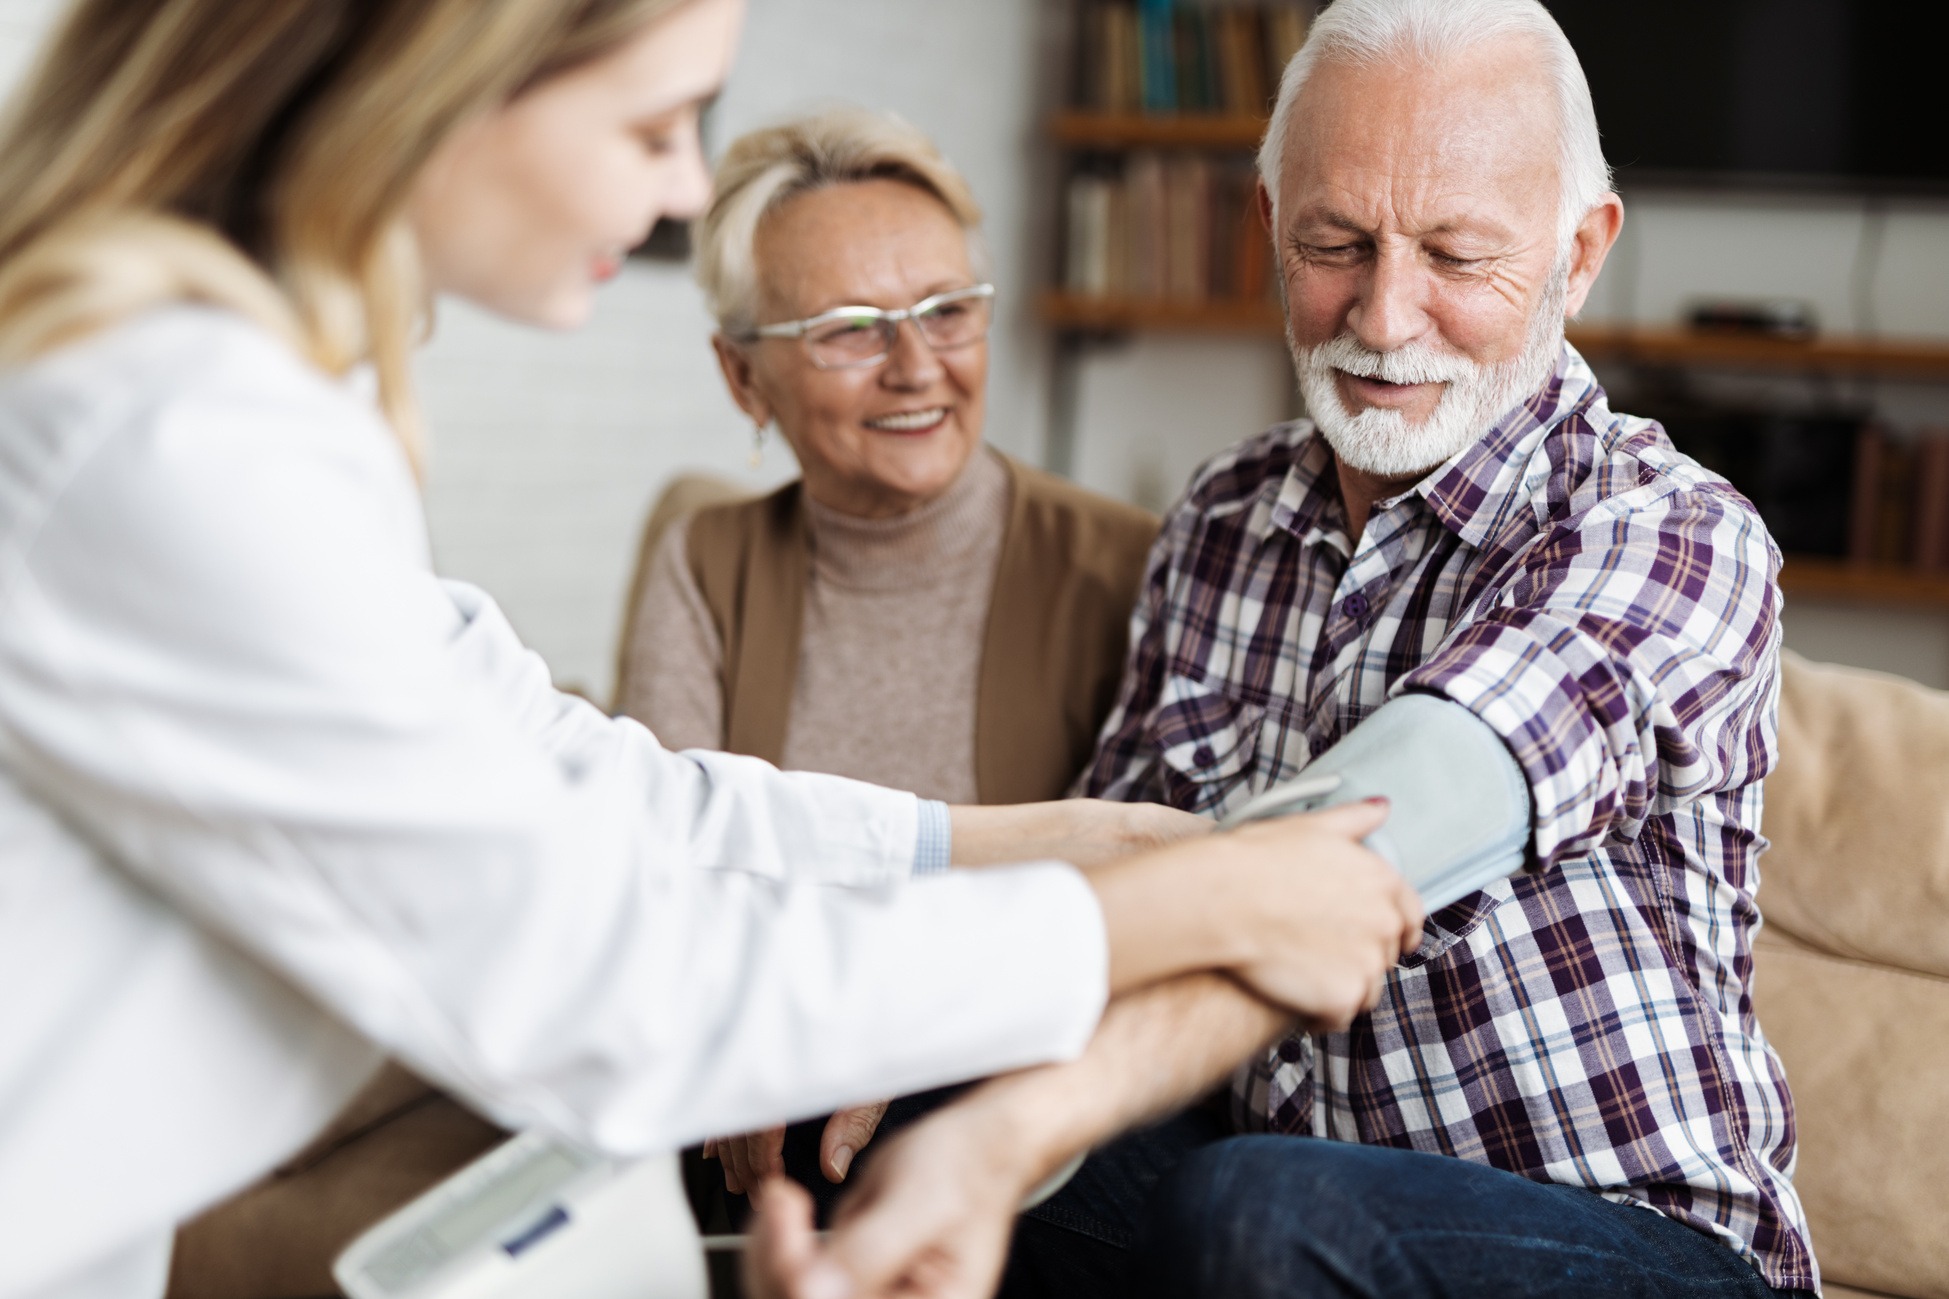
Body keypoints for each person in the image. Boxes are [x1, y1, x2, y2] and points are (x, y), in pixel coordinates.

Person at [0, 1, 1428, 1296]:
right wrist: (1200, 906)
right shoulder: (168, 436)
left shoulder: (229, 397)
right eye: (650, 122)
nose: (688, 181)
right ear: (444, 85)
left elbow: (596, 783)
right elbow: (602, 985)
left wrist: (1028, 839)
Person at [752, 1, 1816, 1297]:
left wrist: (1021, 1118)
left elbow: (1386, 828)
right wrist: (914, 1027)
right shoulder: (1220, 516)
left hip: (1630, 1231)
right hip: (1286, 1161)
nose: (1382, 315)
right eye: (1334, 243)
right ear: (1264, 226)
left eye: (1456, 256)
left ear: (1577, 252)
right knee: (884, 1100)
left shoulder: (1671, 532)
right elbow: (1133, 877)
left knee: (1251, 1202)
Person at [616, 106, 1160, 1210]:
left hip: (1001, 1099)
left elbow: (1146, 897)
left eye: (947, 312)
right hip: (751, 1087)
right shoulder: (708, 558)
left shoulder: (1130, 567)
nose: (917, 367)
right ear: (742, 378)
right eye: (850, 329)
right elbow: (658, 881)